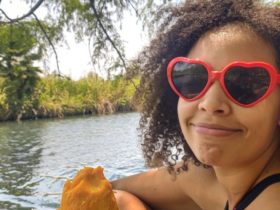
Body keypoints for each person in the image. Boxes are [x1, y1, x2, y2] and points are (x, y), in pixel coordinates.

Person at [111, 0, 280, 209]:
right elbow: (109, 190)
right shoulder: (212, 180)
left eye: (244, 83)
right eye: (193, 78)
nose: (210, 103)